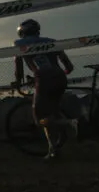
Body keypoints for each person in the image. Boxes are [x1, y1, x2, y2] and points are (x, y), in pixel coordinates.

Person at [12, 18, 78, 160]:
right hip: (59, 77)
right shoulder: (51, 41)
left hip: (43, 78)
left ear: (22, 32)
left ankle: (71, 123)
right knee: (52, 113)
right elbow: (69, 66)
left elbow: (18, 66)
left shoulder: (19, 44)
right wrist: (60, 74)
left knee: (40, 119)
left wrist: (18, 82)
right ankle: (53, 150)